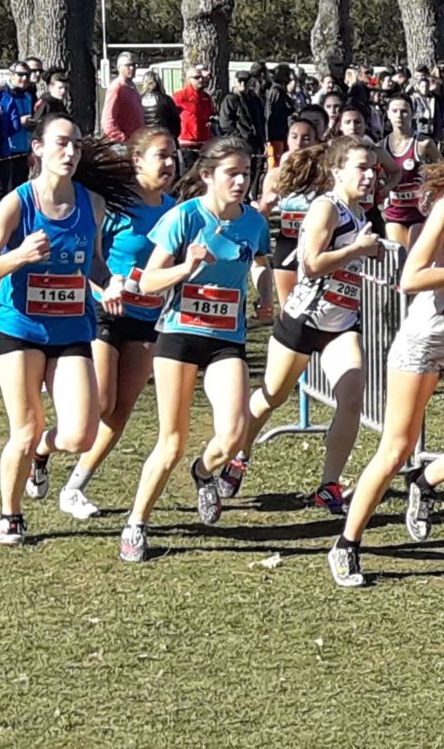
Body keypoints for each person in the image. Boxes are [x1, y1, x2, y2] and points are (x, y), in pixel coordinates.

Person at [327, 114, 444, 588]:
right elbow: (410, 277)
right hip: (424, 344)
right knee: (394, 448)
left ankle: (426, 480)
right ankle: (347, 543)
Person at [0, 113, 138, 545]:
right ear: (38, 148)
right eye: (61, 143)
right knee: (23, 429)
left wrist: (108, 283)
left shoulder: (91, 203)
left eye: (77, 145)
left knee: (80, 433)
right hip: (20, 328)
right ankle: (10, 515)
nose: (71, 152)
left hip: (71, 330)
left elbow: (93, 260)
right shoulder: (17, 204)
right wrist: (20, 256)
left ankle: (43, 453)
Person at [118, 137, 272, 561]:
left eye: (246, 173)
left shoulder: (253, 222)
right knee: (171, 442)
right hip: (179, 334)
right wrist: (186, 267)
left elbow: (260, 261)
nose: (241, 181)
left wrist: (265, 295)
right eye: (232, 174)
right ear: (207, 176)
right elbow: (147, 283)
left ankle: (204, 473)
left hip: (226, 338)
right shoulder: (183, 217)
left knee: (234, 433)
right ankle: (137, 522)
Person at [223, 137, 383, 511]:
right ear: (337, 170)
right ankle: (238, 454)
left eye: (373, 168)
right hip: (303, 319)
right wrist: (356, 251)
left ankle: (328, 484)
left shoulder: (361, 213)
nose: (370, 176)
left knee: (351, 398)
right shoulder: (327, 209)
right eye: (362, 167)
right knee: (272, 396)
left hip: (341, 324)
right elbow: (310, 264)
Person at [58, 127, 179, 519]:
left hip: (148, 318)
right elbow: (90, 256)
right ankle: (43, 450)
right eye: (161, 155)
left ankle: (75, 486)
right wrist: (106, 284)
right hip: (104, 313)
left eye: (173, 155)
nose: (170, 163)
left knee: (120, 412)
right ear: (137, 161)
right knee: (102, 401)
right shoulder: (113, 209)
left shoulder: (175, 211)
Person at [255, 117, 320, 307]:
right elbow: (262, 216)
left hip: (316, 245)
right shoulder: (276, 174)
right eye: (294, 137)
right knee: (287, 307)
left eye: (306, 138)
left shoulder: (324, 174)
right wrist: (266, 206)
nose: (299, 143)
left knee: (313, 308)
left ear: (316, 141)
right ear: (287, 139)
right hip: (287, 242)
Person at [381, 94, 441, 249]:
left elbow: (443, 171)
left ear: (413, 114)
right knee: (397, 256)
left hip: (419, 211)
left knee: (415, 254)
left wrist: (432, 191)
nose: (399, 115)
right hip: (394, 211)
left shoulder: (424, 144)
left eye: (404, 111)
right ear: (387, 114)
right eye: (394, 111)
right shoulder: (381, 147)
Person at [0, 62, 35, 196]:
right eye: (20, 75)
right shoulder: (2, 94)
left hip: (24, 149)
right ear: (11, 75)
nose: (24, 78)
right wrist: (19, 121)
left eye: (27, 75)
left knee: (21, 191)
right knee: (7, 192)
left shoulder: (28, 96)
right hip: (7, 150)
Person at [173, 66, 216, 171]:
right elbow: (171, 115)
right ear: (189, 79)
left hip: (204, 142)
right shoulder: (180, 96)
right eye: (197, 78)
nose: (201, 80)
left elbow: (211, 114)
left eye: (201, 77)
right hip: (187, 143)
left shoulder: (206, 97)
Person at [101, 52, 145, 143]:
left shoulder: (132, 86)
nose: (132, 68)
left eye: (134, 65)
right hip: (124, 145)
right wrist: (122, 139)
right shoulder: (116, 88)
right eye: (128, 65)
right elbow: (108, 121)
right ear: (119, 67)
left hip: (137, 142)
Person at [265, 64, 297, 169]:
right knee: (275, 164)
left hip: (282, 134)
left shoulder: (281, 93)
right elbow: (272, 115)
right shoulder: (276, 92)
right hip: (276, 135)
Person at [139, 71, 180, 140]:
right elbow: (176, 119)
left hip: (145, 138)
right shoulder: (166, 99)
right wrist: (173, 136)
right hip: (164, 136)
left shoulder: (139, 100)